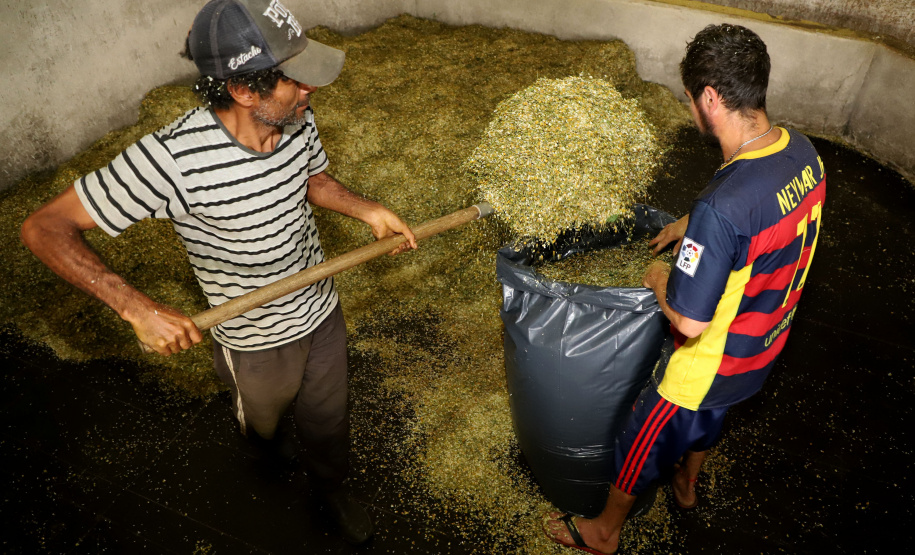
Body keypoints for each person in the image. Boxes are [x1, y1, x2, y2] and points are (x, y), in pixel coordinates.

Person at [20, 0, 416, 545]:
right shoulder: (171, 160)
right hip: (252, 335)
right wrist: (138, 309)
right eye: (295, 83)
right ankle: (266, 447)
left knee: (328, 419)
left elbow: (312, 179)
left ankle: (331, 488)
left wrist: (363, 207)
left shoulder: (295, 117)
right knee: (266, 422)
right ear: (244, 90)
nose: (311, 91)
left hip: (320, 307)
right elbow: (44, 227)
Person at [544, 23, 826, 554]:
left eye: (691, 97)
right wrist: (691, 221)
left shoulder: (724, 208)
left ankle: (603, 532)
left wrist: (657, 278)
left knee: (642, 436)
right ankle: (687, 485)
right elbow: (762, 214)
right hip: (763, 345)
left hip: (707, 363)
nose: (690, 108)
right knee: (712, 421)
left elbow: (691, 320)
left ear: (711, 97)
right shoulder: (802, 152)